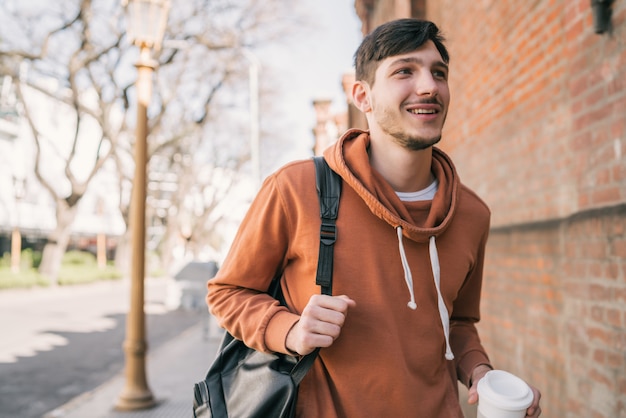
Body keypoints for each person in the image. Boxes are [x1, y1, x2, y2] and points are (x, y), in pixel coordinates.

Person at [207, 18, 542, 417]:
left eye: (439, 73)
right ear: (362, 96)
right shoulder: (295, 189)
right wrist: (291, 329)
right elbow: (227, 293)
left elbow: (457, 323)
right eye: (405, 71)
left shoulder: (471, 214)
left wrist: (480, 372)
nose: (429, 86)